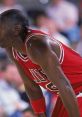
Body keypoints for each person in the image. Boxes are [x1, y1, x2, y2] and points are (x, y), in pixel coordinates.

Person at [0, 9, 82, 117]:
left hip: (75, 90)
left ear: (16, 29)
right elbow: (31, 87)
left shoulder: (36, 45)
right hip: (67, 94)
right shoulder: (12, 49)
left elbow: (65, 85)